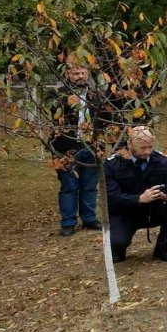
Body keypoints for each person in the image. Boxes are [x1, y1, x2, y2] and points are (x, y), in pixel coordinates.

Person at [104, 126, 167, 263]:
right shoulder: (114, 164)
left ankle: (162, 250)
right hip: (125, 213)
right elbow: (111, 197)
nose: (147, 152)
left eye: (150, 147)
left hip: (152, 210)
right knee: (116, 243)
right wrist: (139, 199)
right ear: (130, 144)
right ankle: (118, 250)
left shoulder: (161, 161)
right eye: (143, 148)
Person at [49, 64, 102, 236]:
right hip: (66, 147)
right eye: (76, 73)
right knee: (69, 185)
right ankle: (68, 222)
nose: (80, 76)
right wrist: (69, 100)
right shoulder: (58, 94)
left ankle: (89, 218)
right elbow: (52, 110)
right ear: (68, 74)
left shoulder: (95, 95)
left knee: (90, 185)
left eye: (83, 73)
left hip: (90, 146)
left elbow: (103, 119)